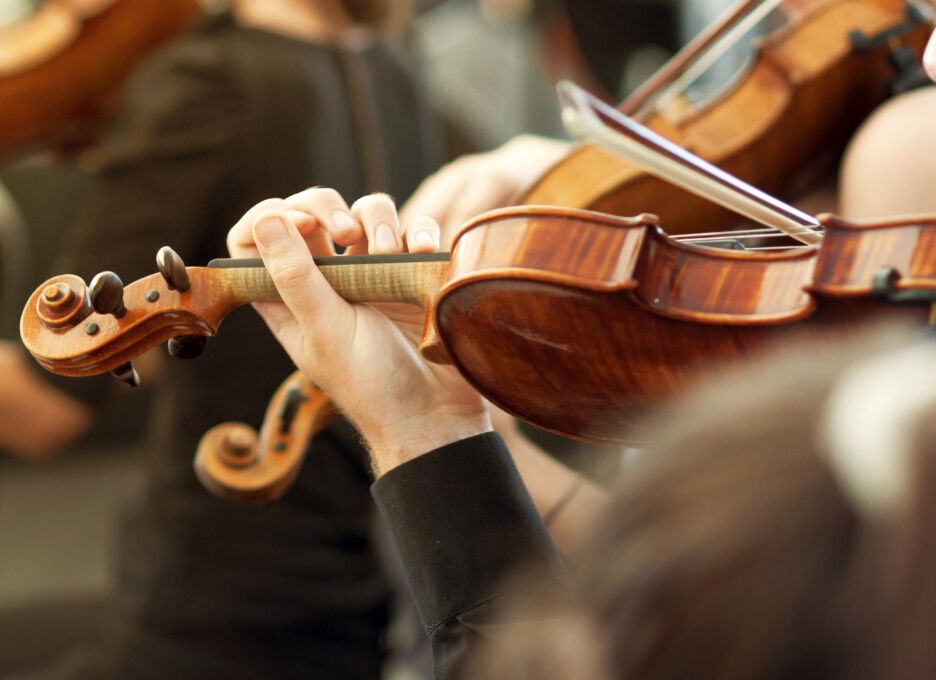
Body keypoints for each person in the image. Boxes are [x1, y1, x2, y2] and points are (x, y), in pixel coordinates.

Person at [217, 25, 936, 676]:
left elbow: (709, 592)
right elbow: (683, 566)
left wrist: (426, 437)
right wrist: (439, 433)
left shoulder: (906, 146)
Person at [0, 1, 448, 678]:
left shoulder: (207, 81)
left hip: (209, 621)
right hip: (353, 613)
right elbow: (175, 344)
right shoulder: (394, 67)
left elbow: (43, 409)